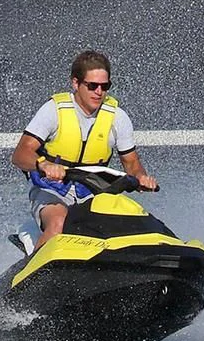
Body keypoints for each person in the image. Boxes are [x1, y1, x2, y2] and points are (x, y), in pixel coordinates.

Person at [9, 50, 159, 253]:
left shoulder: (118, 117)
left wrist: (141, 178)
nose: (99, 92)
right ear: (75, 83)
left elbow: (131, 164)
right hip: (51, 190)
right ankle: (32, 270)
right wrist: (43, 164)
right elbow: (20, 154)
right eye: (92, 86)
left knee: (123, 229)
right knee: (59, 223)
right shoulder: (54, 110)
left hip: (92, 193)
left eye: (105, 86)